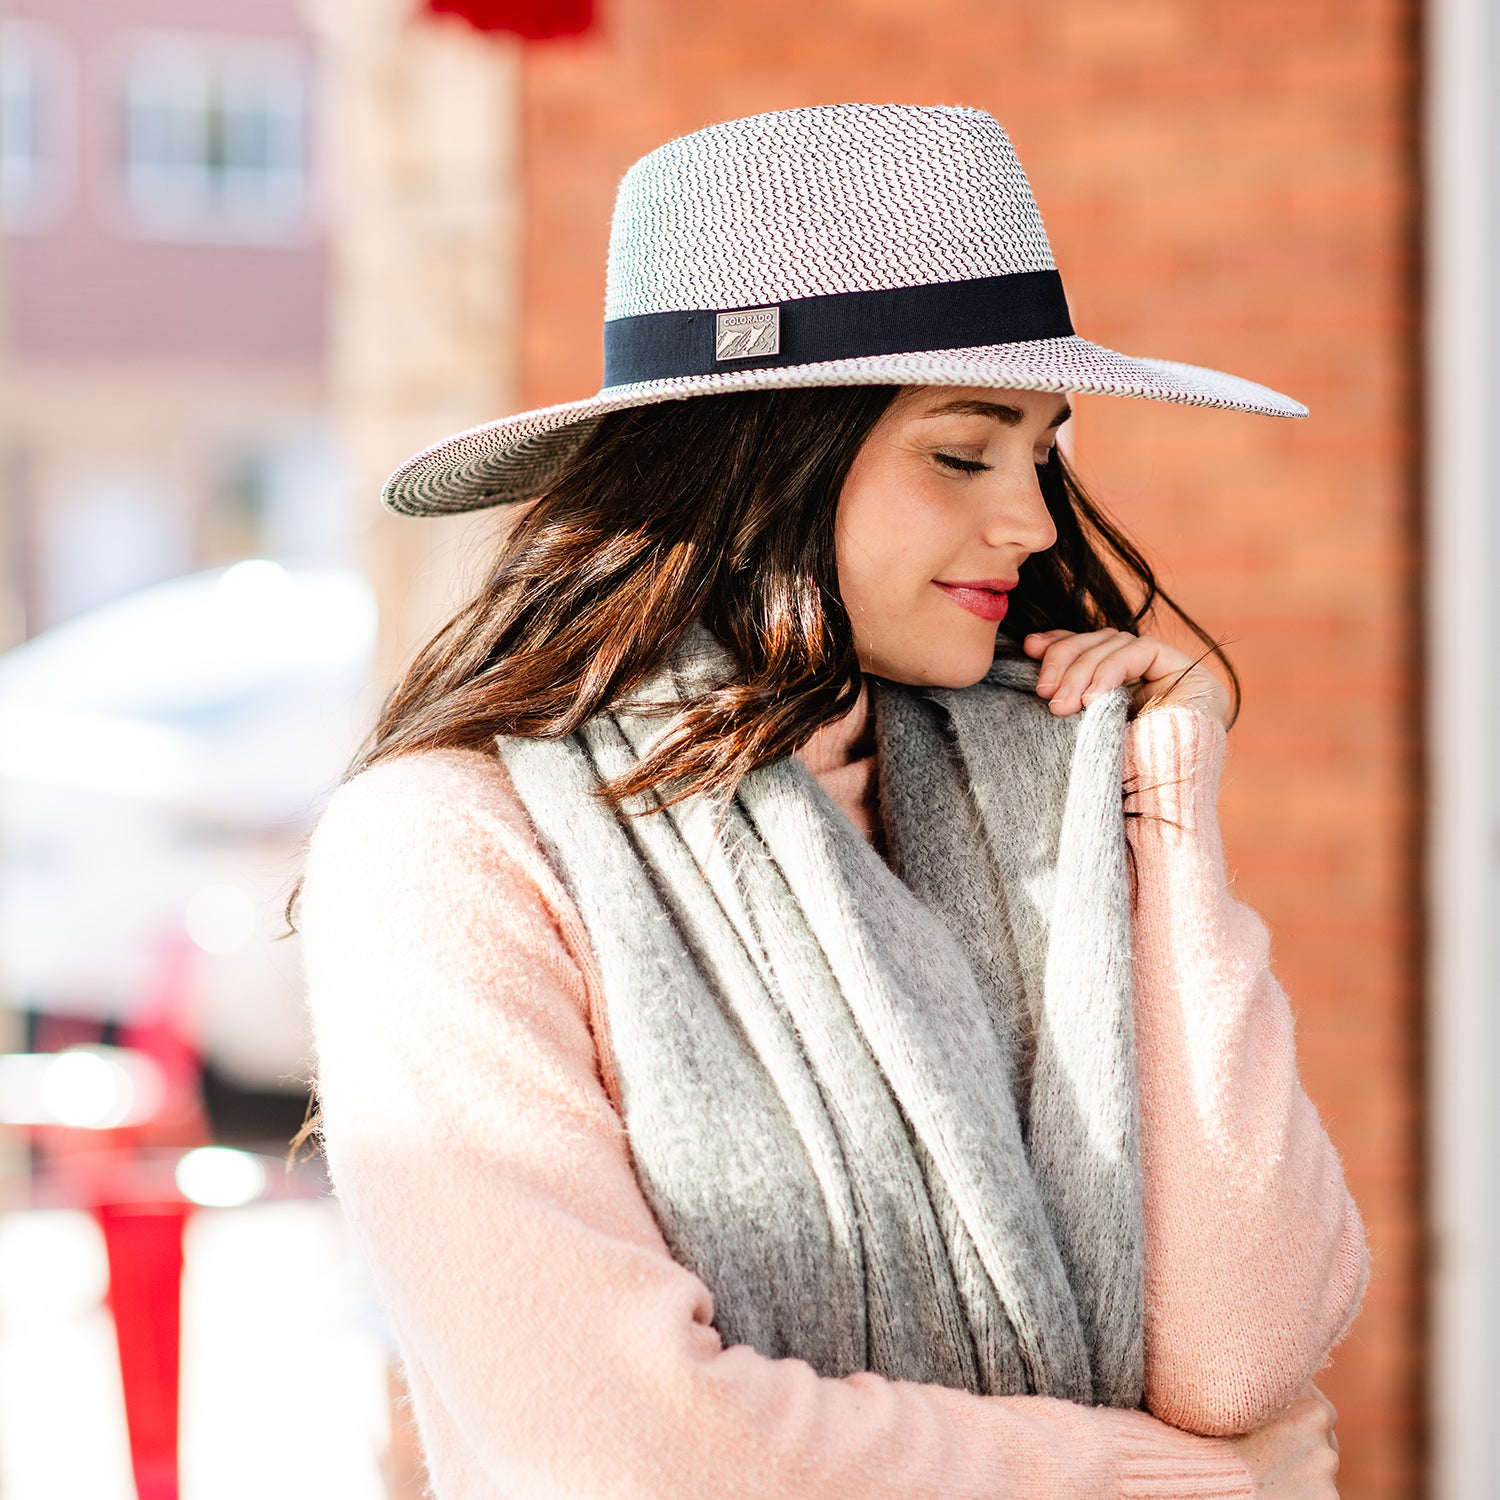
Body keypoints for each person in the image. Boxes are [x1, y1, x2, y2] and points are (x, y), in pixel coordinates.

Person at [292, 104, 1368, 1499]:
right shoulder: (451, 852)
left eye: (1043, 451)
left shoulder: (1045, 780)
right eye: (962, 453)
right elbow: (613, 1448)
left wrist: (1165, 808)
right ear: (759, 458)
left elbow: (1240, 1357)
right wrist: (1157, 1480)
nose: (1035, 522)